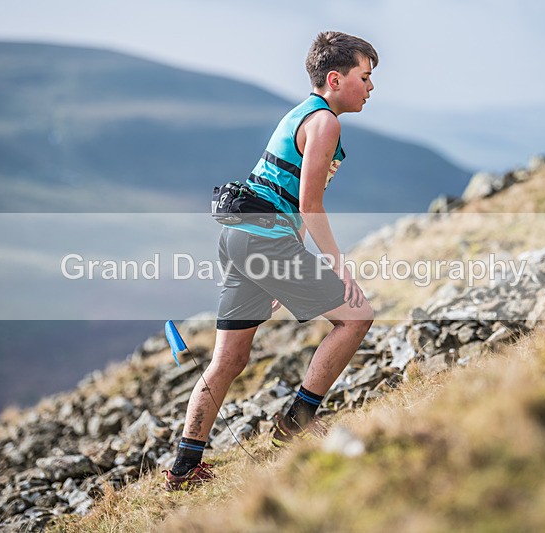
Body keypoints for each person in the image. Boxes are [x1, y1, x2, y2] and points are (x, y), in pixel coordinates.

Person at [164, 31, 378, 491]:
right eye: (366, 76)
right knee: (357, 317)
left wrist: (275, 277)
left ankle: (183, 469)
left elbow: (279, 192)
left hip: (240, 238)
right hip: (265, 243)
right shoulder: (325, 123)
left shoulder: (299, 113)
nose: (371, 87)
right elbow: (309, 205)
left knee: (229, 359)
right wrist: (338, 265)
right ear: (336, 79)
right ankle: (298, 419)